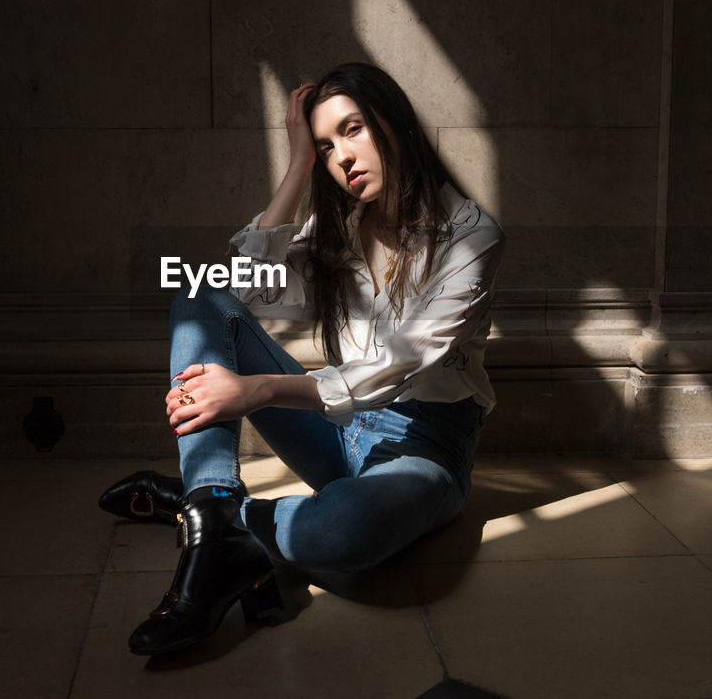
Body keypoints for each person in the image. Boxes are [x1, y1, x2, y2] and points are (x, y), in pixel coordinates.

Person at [100, 62, 504, 656]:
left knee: (343, 534)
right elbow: (239, 284)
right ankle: (211, 504)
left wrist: (256, 390)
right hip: (337, 430)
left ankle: (210, 522)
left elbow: (400, 361)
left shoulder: (471, 236)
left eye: (354, 129)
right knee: (196, 292)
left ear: (392, 124)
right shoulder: (340, 227)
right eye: (325, 145)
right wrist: (297, 166)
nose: (342, 156)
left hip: (425, 449)